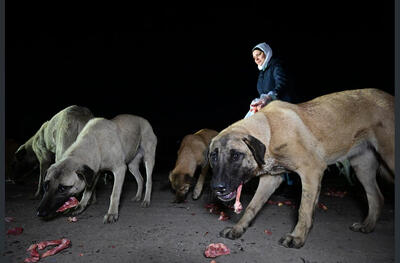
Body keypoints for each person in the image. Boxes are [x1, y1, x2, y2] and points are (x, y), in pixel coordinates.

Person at [245, 42, 292, 118]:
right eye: (254, 58)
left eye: (258, 54)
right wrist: (258, 101)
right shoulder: (262, 72)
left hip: (282, 105)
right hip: (269, 105)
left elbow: (281, 84)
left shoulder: (276, 65)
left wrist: (269, 97)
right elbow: (263, 93)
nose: (256, 59)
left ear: (266, 52)